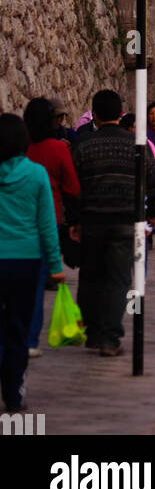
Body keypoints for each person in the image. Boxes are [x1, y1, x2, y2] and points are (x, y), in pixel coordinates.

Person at [72, 89, 155, 356]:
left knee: (90, 277)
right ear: (121, 113)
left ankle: (93, 333)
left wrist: (75, 220)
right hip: (125, 222)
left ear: (95, 115)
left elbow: (74, 188)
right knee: (117, 279)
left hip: (92, 221)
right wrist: (152, 213)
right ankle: (111, 338)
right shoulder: (136, 144)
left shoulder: (84, 145)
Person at [0, 114, 66, 410]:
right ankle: (13, 392)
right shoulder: (37, 175)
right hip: (26, 261)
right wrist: (55, 264)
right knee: (19, 327)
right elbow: (47, 226)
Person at [23, 97, 80, 357]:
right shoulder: (58, 149)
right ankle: (30, 339)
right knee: (35, 288)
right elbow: (72, 188)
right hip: (49, 221)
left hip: (16, 225)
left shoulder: (19, 150)